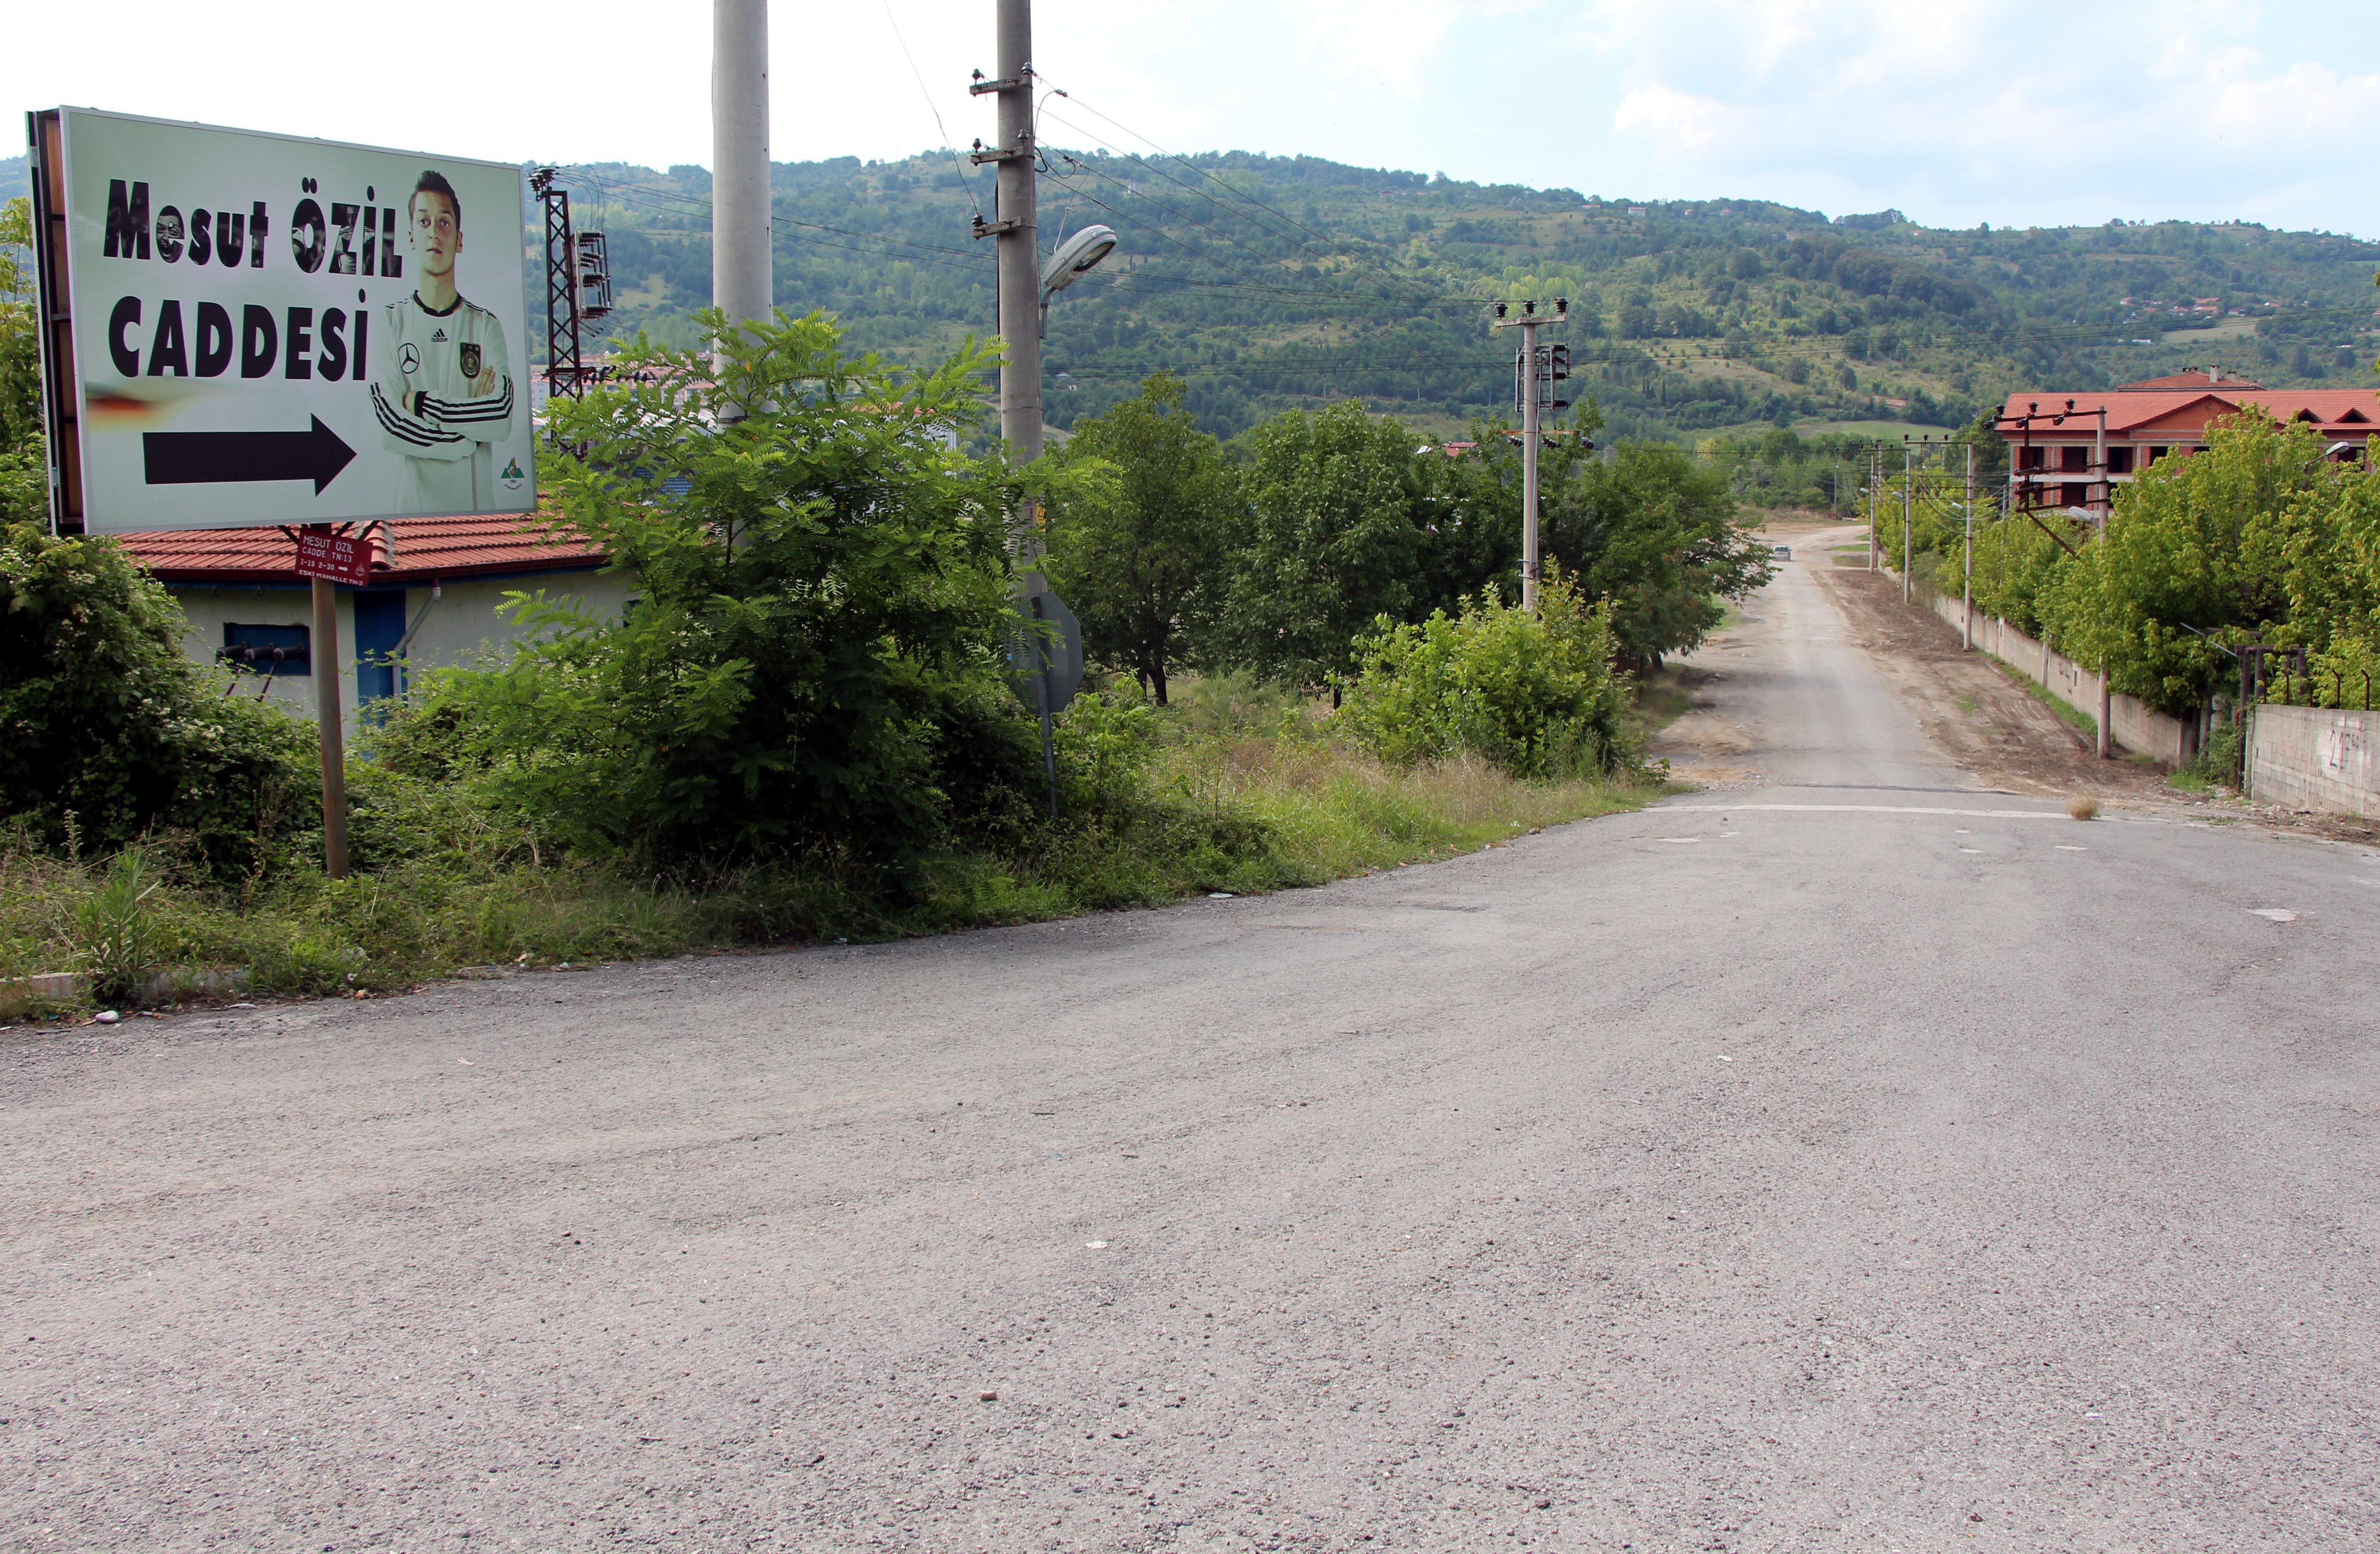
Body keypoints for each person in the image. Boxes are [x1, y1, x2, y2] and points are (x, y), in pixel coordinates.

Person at [370, 170, 516, 511]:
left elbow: (501, 416)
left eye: (444, 223)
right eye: (424, 222)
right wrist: (462, 438)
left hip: (477, 515)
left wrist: (422, 403)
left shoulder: (485, 326)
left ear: (459, 240)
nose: (434, 232)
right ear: (411, 236)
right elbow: (390, 425)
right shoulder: (390, 321)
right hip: (412, 517)